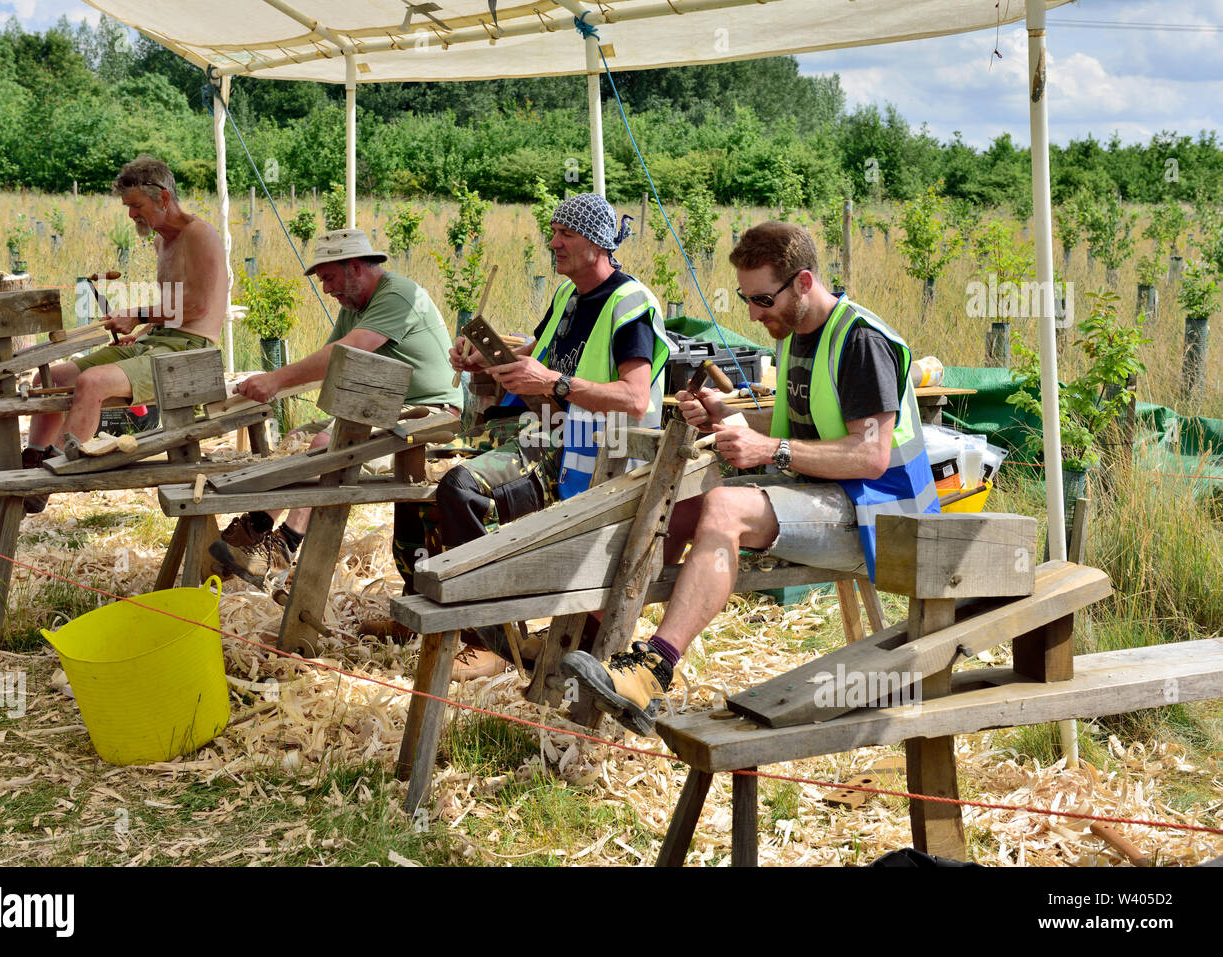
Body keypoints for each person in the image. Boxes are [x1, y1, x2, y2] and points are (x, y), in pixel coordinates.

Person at [561, 221, 940, 735]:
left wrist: (770, 450)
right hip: (834, 495)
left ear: (803, 282)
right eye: (746, 299)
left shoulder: (861, 342)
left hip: (886, 516)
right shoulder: (794, 336)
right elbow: (803, 431)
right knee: (683, 501)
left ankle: (652, 671)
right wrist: (726, 416)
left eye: (762, 300)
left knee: (724, 508)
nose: (754, 314)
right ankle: (596, 640)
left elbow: (869, 456)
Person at [435, 192, 672, 679]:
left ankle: (501, 642)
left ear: (595, 243)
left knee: (461, 489)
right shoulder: (569, 294)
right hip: (546, 430)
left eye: (565, 233)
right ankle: (458, 623)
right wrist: (487, 357)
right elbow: (538, 354)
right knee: (419, 500)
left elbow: (636, 398)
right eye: (554, 232)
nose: (553, 242)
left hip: (588, 450)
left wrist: (557, 385)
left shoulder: (630, 304)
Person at [0, 154, 229, 513]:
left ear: (163, 198)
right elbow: (177, 301)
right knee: (54, 377)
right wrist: (147, 327)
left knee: (94, 383)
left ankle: (45, 480)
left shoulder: (200, 233)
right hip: (158, 341)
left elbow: (198, 306)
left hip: (191, 353)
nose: (131, 215)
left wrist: (137, 314)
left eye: (136, 205)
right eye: (127, 206)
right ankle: (30, 462)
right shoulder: (161, 241)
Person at [209, 228, 462, 592]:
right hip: (381, 408)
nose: (326, 289)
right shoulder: (356, 305)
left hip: (431, 416)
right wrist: (255, 385)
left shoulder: (399, 296)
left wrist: (276, 380)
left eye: (328, 277)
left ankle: (283, 547)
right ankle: (256, 530)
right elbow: (329, 364)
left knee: (324, 445)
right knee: (297, 438)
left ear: (355, 267)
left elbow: (342, 356)